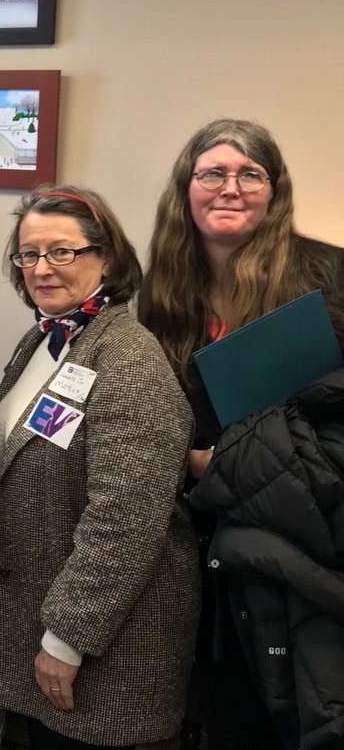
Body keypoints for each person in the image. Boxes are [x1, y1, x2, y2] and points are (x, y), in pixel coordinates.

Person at [138, 119, 344, 749]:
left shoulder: (329, 279)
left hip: (303, 546)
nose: (230, 188)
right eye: (212, 173)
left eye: (249, 174)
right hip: (202, 547)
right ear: (186, 188)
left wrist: (222, 465)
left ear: (273, 190)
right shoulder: (163, 292)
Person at [0, 187, 199, 749]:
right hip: (37, 637)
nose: (42, 268)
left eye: (62, 252)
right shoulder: (42, 340)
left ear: (106, 258)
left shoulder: (127, 356)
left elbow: (126, 518)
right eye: (29, 255)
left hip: (104, 659)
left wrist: (66, 639)